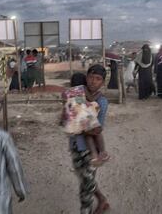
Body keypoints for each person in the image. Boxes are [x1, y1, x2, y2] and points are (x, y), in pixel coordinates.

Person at [69, 65, 110, 214]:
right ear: (86, 78)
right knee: (85, 179)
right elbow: (66, 118)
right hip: (75, 144)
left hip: (87, 149)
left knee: (85, 187)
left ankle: (86, 210)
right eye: (91, 77)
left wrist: (83, 124)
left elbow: (98, 129)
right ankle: (102, 199)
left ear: (103, 83)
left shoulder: (102, 101)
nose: (93, 81)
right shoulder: (77, 95)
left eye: (98, 79)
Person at [63, 73, 109, 166]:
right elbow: (92, 98)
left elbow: (65, 104)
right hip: (86, 117)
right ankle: (102, 152)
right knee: (96, 133)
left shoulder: (68, 92)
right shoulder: (82, 90)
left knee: (88, 136)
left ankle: (94, 155)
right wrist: (99, 93)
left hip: (76, 120)